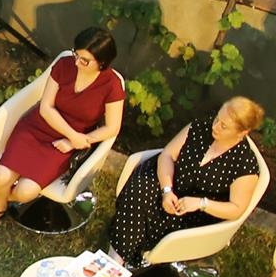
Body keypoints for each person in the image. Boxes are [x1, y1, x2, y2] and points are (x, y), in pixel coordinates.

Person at [0, 28, 127, 232]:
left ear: (102, 62)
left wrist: (78, 140)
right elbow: (46, 108)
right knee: (0, 177)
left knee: (25, 192)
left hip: (62, 145)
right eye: (76, 55)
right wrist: (73, 136)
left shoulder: (112, 85)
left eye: (85, 60)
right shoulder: (64, 65)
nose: (77, 63)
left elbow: (112, 127)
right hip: (38, 128)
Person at [106, 96, 264, 260]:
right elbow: (167, 155)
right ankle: (116, 258)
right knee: (139, 192)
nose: (215, 126)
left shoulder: (244, 164)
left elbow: (237, 209)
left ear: (242, 133)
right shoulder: (201, 127)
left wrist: (201, 203)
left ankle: (118, 258)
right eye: (217, 118)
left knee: (151, 218)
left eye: (223, 126)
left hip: (194, 211)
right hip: (168, 181)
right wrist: (167, 190)